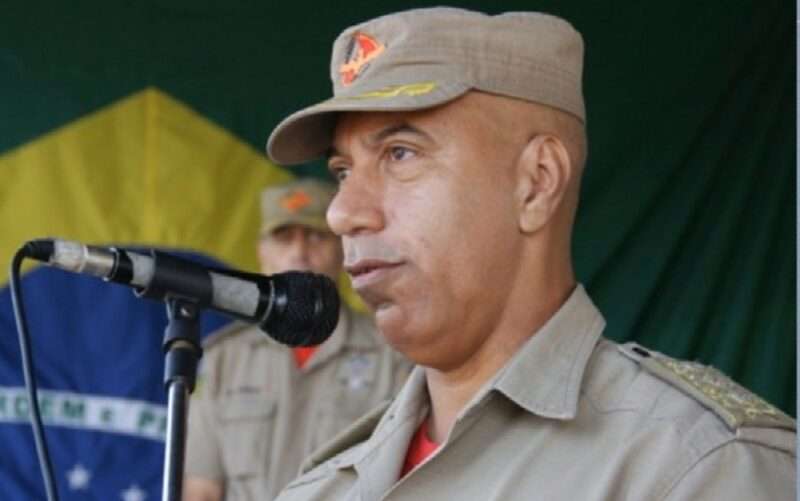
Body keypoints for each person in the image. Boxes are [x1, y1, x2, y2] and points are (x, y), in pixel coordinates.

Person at [262, 7, 797, 501]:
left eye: (400, 154)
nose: (342, 213)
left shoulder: (699, 468)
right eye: (343, 172)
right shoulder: (319, 490)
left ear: (537, 183)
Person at [183, 178, 412, 501]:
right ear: (262, 252)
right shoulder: (225, 357)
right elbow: (202, 490)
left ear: (343, 249)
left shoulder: (394, 354)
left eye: (316, 236)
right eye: (284, 237)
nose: (299, 252)